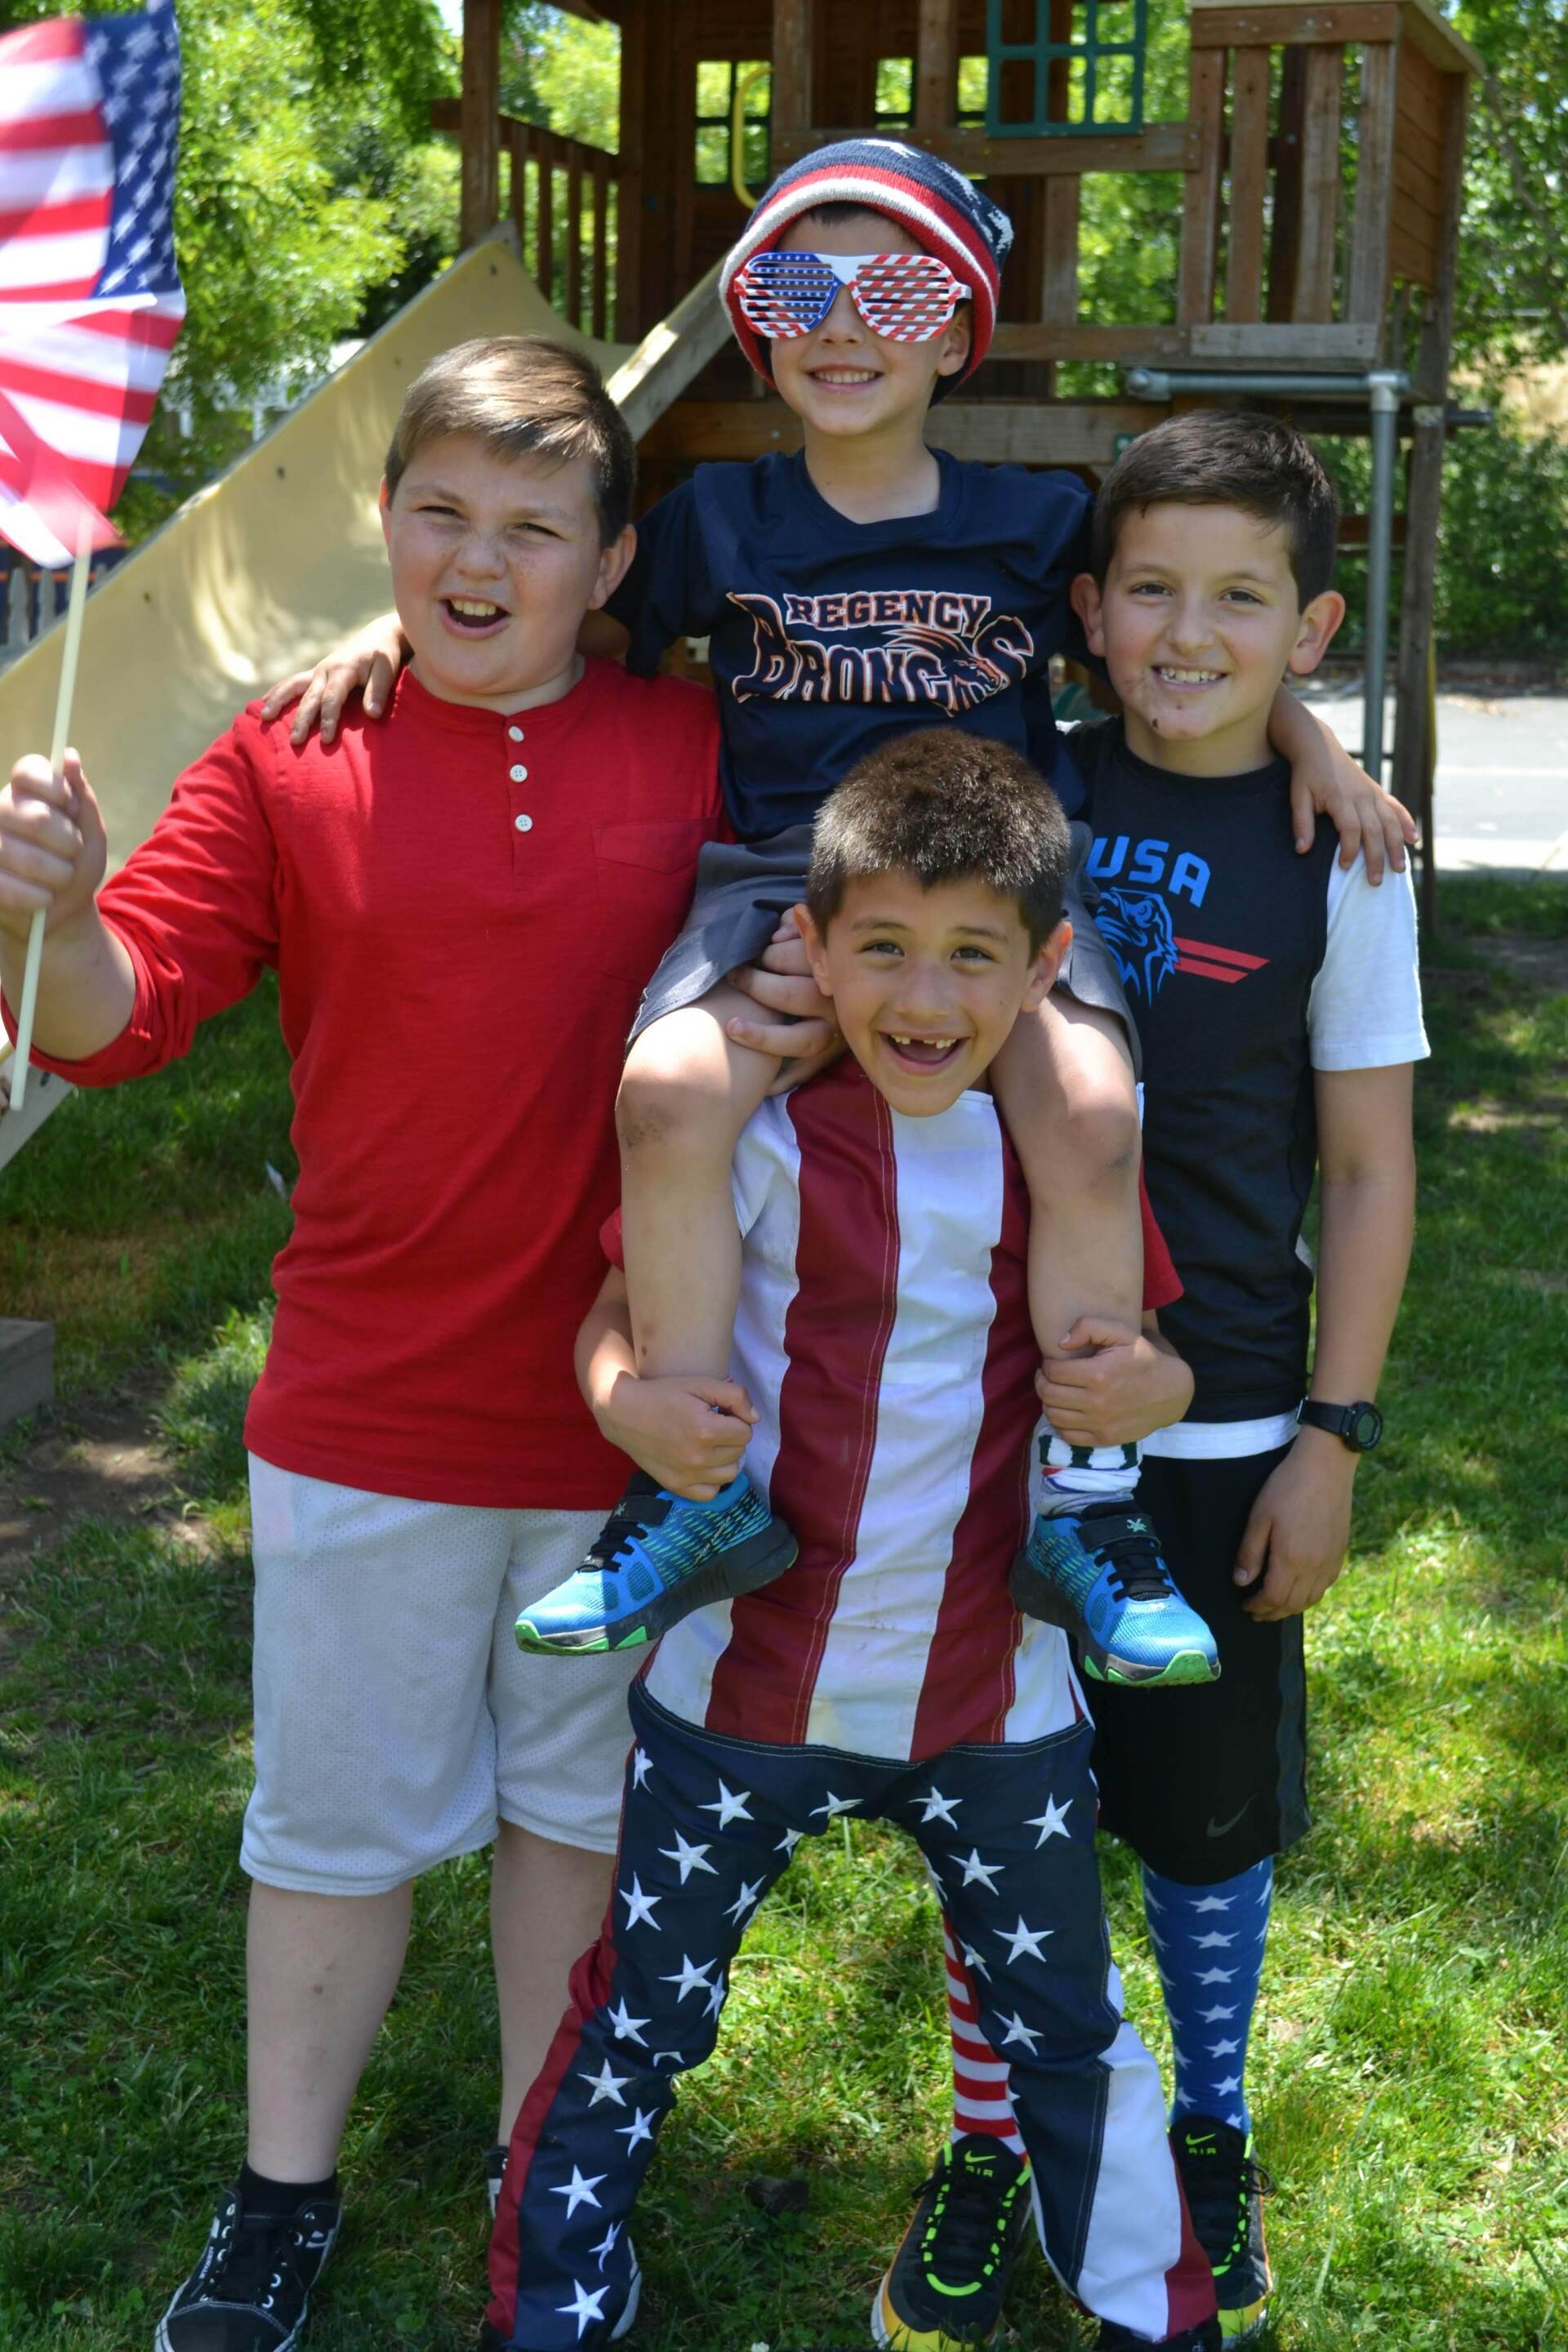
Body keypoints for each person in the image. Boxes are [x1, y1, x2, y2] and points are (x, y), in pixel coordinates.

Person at [267, 141, 1410, 1688]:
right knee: (669, 1092)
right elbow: (534, 600)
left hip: (999, 893)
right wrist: (388, 637)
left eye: (900, 290)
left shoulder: (1036, 522)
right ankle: (693, 1488)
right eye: (801, 284)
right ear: (756, 322)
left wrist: (1306, 736)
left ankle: (1090, 1506)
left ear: (959, 330)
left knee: (1089, 1109)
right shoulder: (712, 521)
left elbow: (1175, 635)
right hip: (783, 896)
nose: (845, 321)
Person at [0, 336, 733, 2352]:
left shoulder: (700, 750)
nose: (478, 564)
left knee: (575, 1823)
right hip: (365, 1409)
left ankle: (544, 2182)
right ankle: (277, 2203)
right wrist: (44, 912)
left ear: (613, 561)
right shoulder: (289, 752)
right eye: (440, 516)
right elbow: (114, 1018)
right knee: (330, 1831)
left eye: (534, 529)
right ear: (384, 522)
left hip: (631, 1416)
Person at [480, 728, 1221, 2352]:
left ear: (1044, 971)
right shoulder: (749, 1127)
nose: (923, 997)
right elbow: (615, 1324)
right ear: (807, 948)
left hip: (989, 1692)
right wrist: (623, 1404)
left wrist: (1154, 1392)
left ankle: (1157, 2317)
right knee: (640, 2019)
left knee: (1070, 2032)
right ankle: (550, 2308)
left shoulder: (1054, 1152)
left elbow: (1151, 1359)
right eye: (881, 948)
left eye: (970, 957)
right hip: (738, 1683)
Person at [897, 412, 1426, 2350]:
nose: (1190, 633)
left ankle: (1208, 2129)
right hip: (993, 1406)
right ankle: (990, 2138)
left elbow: (1366, 1170)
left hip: (1225, 1424)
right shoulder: (1023, 786)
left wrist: (1332, 1439)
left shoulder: (1344, 859)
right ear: (1091, 611)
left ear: (1312, 628)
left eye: (1241, 599)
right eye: (1152, 591)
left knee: (1203, 1826)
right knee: (988, 1803)